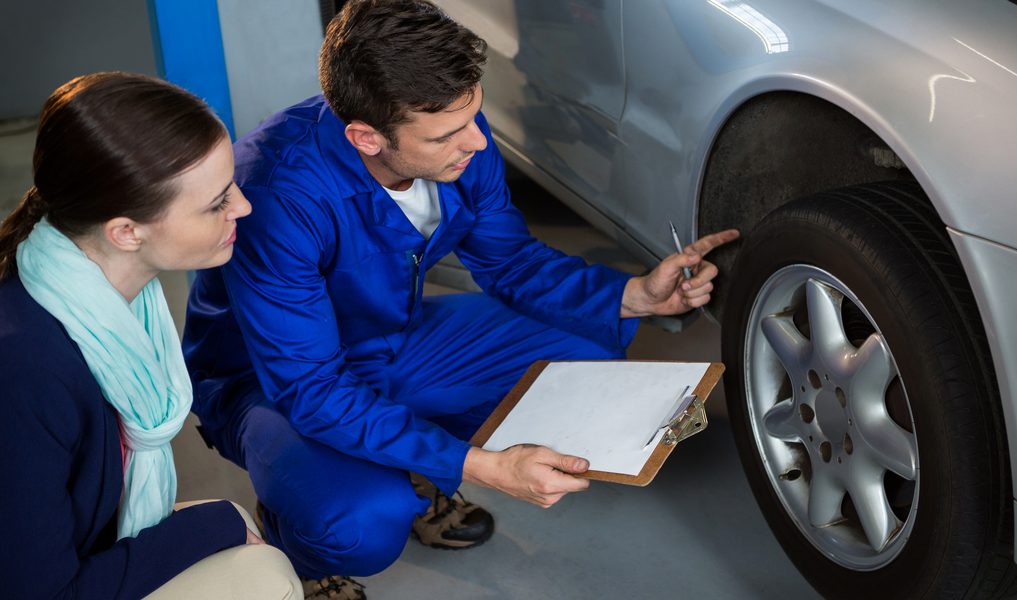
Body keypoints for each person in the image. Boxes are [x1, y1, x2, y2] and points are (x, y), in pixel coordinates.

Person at [182, 1, 739, 597]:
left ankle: (408, 454)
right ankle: (298, 544)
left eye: (474, 114)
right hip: (271, 381)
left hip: (391, 335)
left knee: (586, 348)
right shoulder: (276, 196)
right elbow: (311, 388)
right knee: (360, 521)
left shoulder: (456, 131)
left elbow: (511, 261)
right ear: (366, 137)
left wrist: (636, 296)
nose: (477, 141)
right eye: (448, 134)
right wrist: (482, 467)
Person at [0, 72, 302, 599]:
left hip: (83, 540)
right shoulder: (25, 371)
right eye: (217, 202)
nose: (243, 207)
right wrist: (214, 525)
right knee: (264, 577)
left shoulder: (113, 297)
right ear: (126, 232)